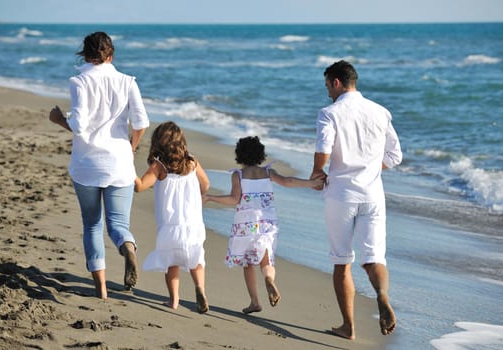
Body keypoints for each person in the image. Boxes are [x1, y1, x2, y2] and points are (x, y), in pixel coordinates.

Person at [49, 31, 149, 299]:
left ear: (85, 54)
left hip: (87, 164)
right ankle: (127, 246)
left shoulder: (79, 81)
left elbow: (79, 125)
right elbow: (140, 123)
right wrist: (131, 148)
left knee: (92, 224)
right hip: (119, 163)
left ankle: (101, 289)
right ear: (111, 55)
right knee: (117, 224)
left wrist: (59, 119)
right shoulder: (128, 82)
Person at [309, 60, 402, 339]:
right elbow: (395, 156)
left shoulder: (329, 113)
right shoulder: (380, 111)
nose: (327, 92)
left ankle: (348, 327)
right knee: (374, 258)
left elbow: (323, 148)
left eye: (327, 85)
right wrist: (371, 168)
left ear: (337, 82)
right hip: (373, 195)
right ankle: (382, 296)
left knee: (341, 261)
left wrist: (316, 172)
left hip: (341, 196)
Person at [204, 136, 324, 314]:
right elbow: (287, 181)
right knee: (266, 261)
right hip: (267, 222)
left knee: (247, 263)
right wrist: (312, 183)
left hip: (245, 224)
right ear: (261, 154)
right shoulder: (268, 172)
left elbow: (234, 199)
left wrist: (210, 197)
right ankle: (269, 279)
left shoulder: (238, 175)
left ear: (240, 155)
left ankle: (255, 302)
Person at [135, 121, 210, 314]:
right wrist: (198, 194)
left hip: (170, 228)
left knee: (172, 263)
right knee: (196, 260)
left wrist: (126, 168)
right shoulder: (192, 162)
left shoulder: (158, 167)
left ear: (158, 142)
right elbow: (206, 184)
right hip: (193, 226)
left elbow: (140, 186)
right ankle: (200, 289)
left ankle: (174, 300)